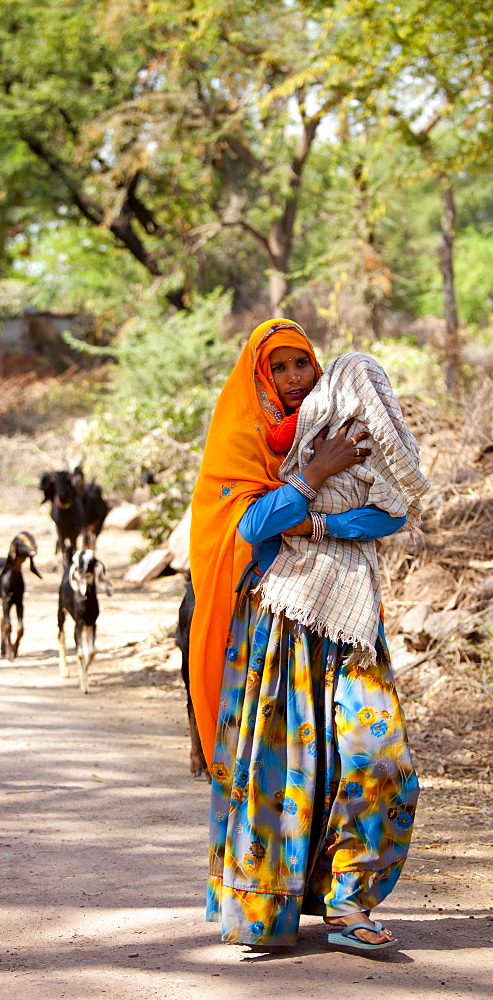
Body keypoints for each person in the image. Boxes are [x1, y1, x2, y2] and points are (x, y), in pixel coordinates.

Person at [189, 319, 429, 953]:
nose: (297, 379)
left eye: (305, 364)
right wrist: (312, 473)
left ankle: (349, 899)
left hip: (349, 619)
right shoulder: (244, 441)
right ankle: (269, 910)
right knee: (285, 770)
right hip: (280, 624)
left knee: (380, 759)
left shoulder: (345, 424)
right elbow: (254, 525)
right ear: (261, 377)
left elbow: (390, 511)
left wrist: (321, 525)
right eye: (282, 367)